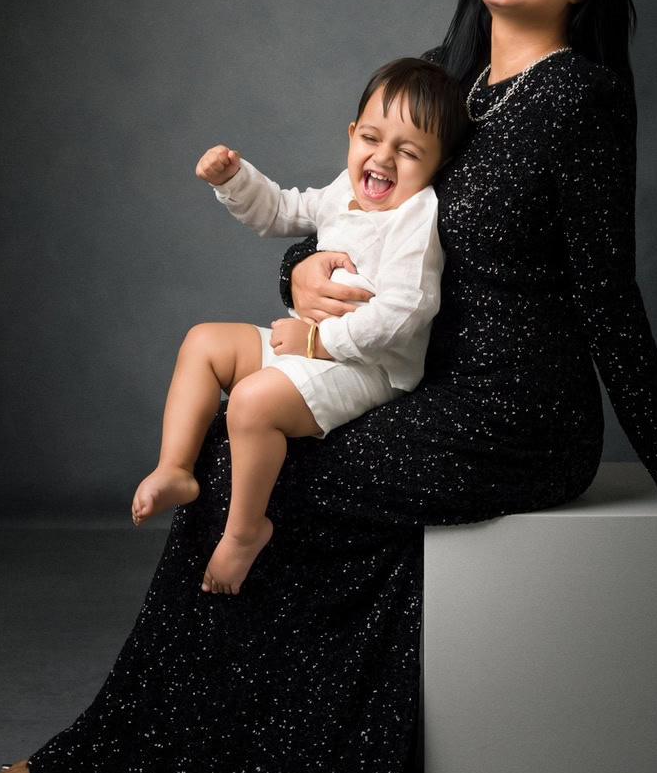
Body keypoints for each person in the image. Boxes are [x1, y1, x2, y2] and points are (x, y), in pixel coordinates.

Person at [0, 0, 657, 773]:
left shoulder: (579, 97)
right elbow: (350, 223)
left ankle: (217, 765)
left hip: (514, 415)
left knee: (263, 477)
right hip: (416, 387)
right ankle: (151, 749)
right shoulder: (452, 85)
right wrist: (294, 272)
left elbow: (608, 295)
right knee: (235, 450)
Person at [128, 56, 468, 596]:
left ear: (438, 164)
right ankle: (175, 467)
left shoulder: (416, 217)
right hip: (306, 348)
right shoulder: (344, 190)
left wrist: (319, 341)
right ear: (352, 135)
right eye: (372, 139)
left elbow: (408, 310)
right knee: (204, 342)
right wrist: (235, 180)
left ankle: (245, 531)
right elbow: (283, 210)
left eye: (408, 152)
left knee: (251, 404)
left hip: (369, 368)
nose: (382, 159)